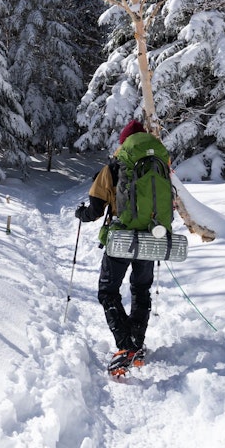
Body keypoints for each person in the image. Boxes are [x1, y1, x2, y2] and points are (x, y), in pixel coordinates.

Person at [74, 118, 162, 375]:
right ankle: (137, 344)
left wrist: (81, 214)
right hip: (149, 238)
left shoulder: (113, 168)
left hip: (121, 239)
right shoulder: (158, 166)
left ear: (123, 142)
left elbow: (94, 210)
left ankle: (126, 346)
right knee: (141, 289)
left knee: (108, 291)